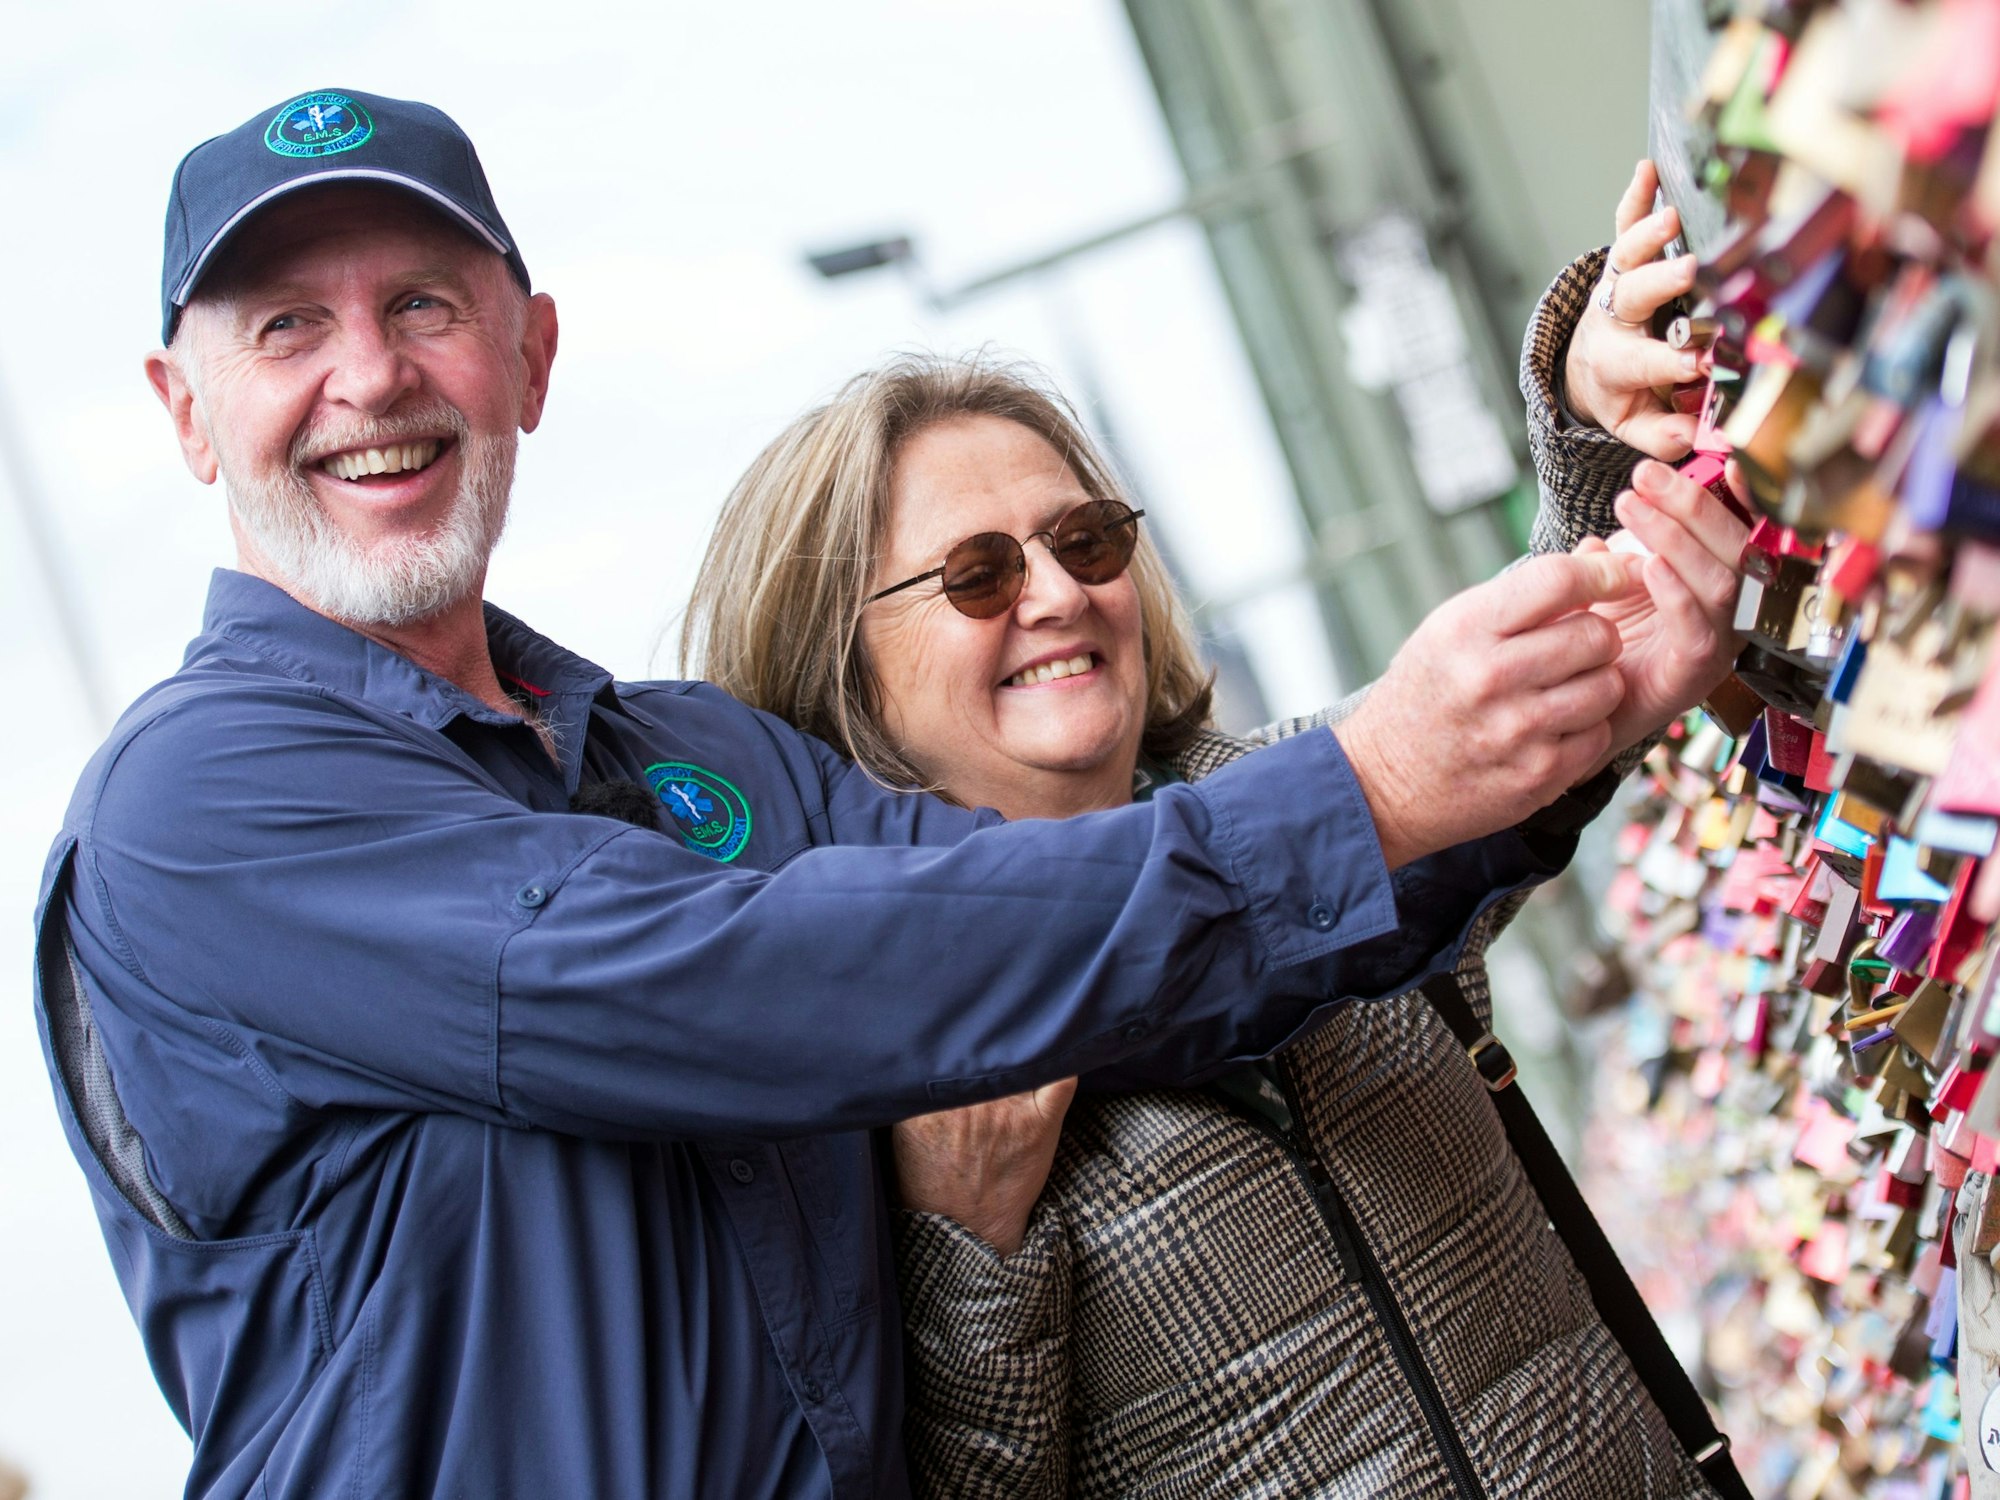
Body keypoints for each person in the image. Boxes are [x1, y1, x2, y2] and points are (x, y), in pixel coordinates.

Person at [34, 90, 1655, 1499]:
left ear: (528, 356)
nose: (370, 375)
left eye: (424, 304)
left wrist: (1535, 741)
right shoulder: (197, 806)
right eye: (284, 329)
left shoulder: (689, 760)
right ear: (187, 414)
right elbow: (765, 982)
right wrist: (1375, 786)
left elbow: (1106, 956)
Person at [680, 170, 1744, 1498]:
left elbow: (1549, 657)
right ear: (837, 664)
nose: (1059, 593)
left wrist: (1591, 405)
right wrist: (963, 1243)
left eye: (1086, 539)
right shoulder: (867, 1065)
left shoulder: (1315, 799)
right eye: (978, 574)